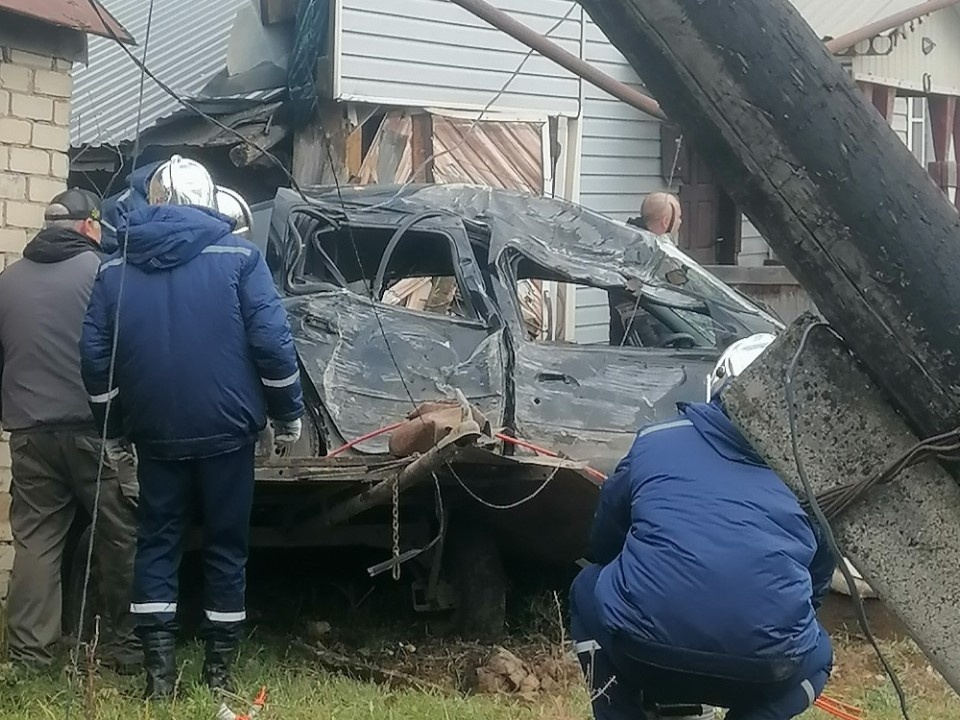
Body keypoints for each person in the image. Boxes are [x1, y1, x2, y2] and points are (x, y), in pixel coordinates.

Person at [80, 156, 304, 698]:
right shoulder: (242, 258)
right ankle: (219, 676)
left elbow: (93, 357)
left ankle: (159, 680)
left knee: (156, 542)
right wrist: (287, 413)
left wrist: (112, 424)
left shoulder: (114, 269)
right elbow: (272, 345)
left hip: (155, 435)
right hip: (229, 434)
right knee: (227, 547)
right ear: (209, 200)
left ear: (152, 200)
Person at [570, 333, 835, 720]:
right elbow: (817, 579)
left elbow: (606, 537)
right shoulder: (810, 474)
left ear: (719, 384)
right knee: (819, 656)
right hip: (768, 669)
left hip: (640, 651)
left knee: (586, 587)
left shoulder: (656, 442)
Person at [0, 189, 141, 671]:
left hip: (29, 433)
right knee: (120, 534)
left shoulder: (7, 282)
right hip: (95, 430)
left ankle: (29, 655)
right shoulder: (105, 275)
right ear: (88, 227)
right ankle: (122, 647)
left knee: (36, 541)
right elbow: (130, 351)